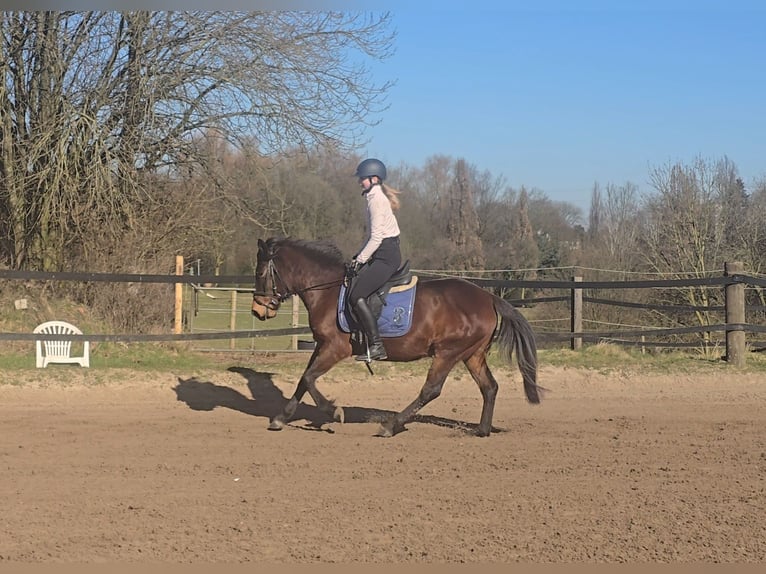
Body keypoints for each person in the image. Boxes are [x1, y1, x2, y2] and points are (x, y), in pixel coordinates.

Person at [348, 158, 402, 361]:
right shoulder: (372, 198)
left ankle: (376, 345)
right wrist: (358, 257)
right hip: (381, 253)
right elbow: (371, 236)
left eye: (362, 179)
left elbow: (377, 237)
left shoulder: (377, 201)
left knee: (356, 296)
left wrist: (360, 259)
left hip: (386, 257)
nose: (360, 182)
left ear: (374, 179)